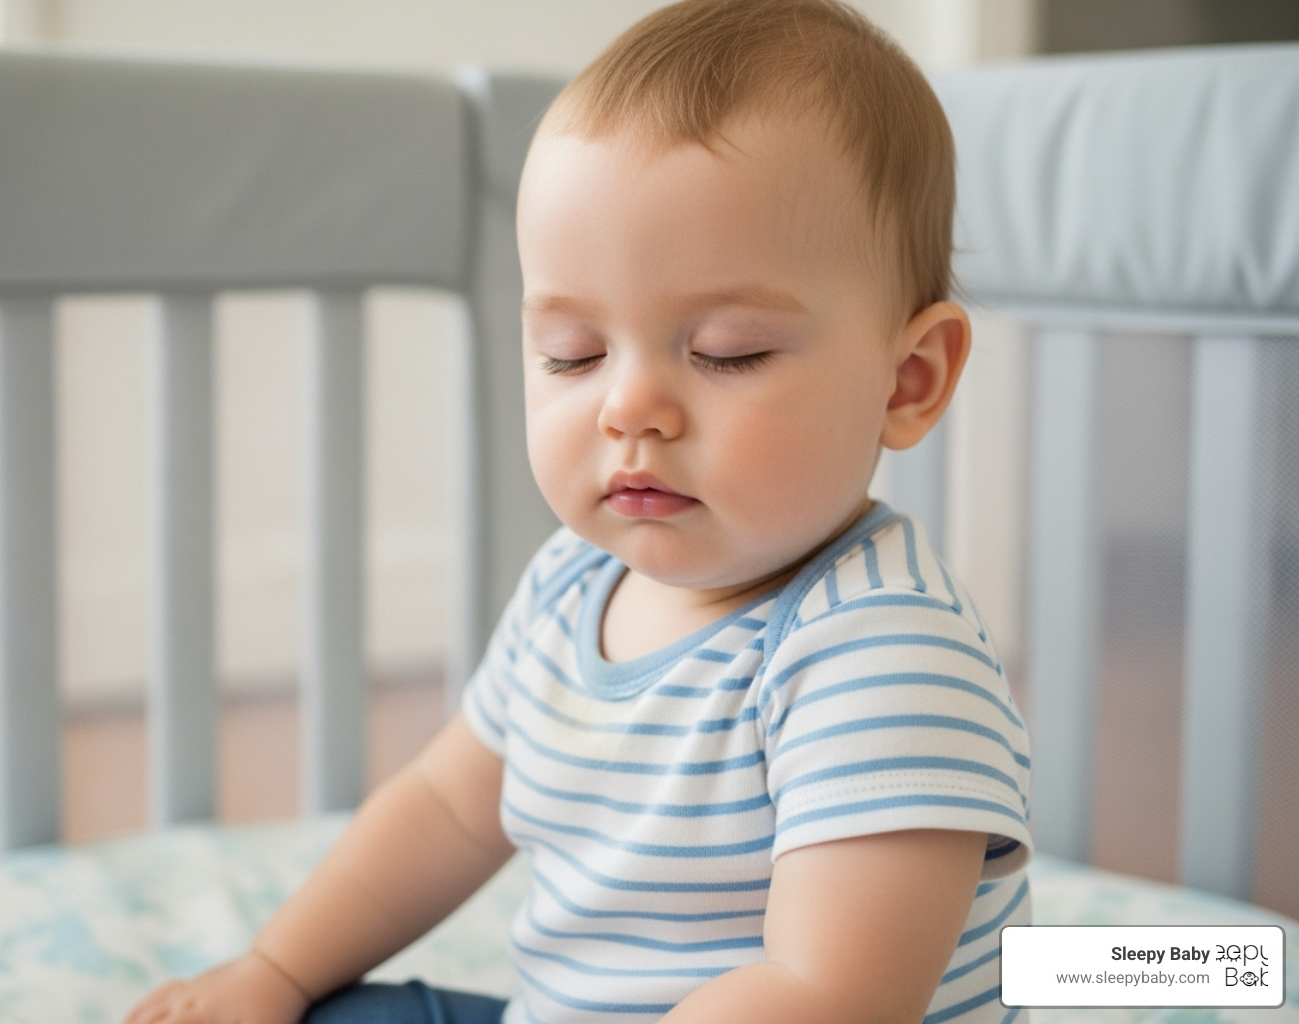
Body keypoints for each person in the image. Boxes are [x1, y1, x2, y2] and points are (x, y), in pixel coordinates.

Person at [123, 0, 1032, 1021]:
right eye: (573, 353)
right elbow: (445, 807)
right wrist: (275, 971)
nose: (627, 407)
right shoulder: (572, 582)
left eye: (726, 352)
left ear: (908, 380)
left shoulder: (883, 648)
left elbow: (830, 992)